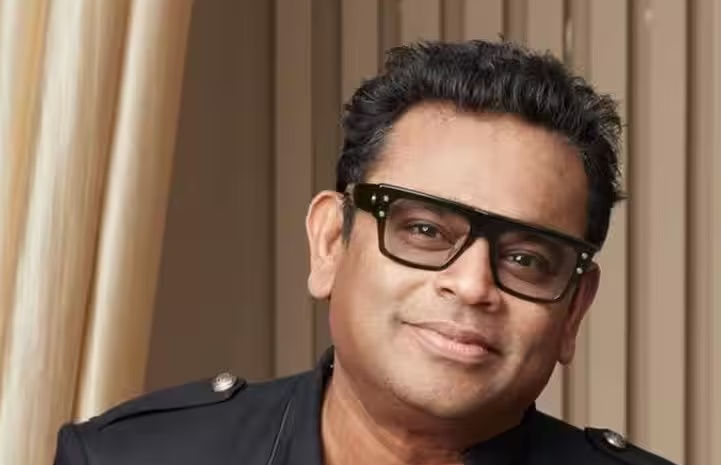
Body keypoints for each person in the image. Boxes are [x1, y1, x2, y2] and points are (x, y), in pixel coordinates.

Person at [54, 40, 677, 465]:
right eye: (425, 230)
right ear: (330, 241)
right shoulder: (128, 458)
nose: (471, 285)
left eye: (526, 260)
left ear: (573, 311)